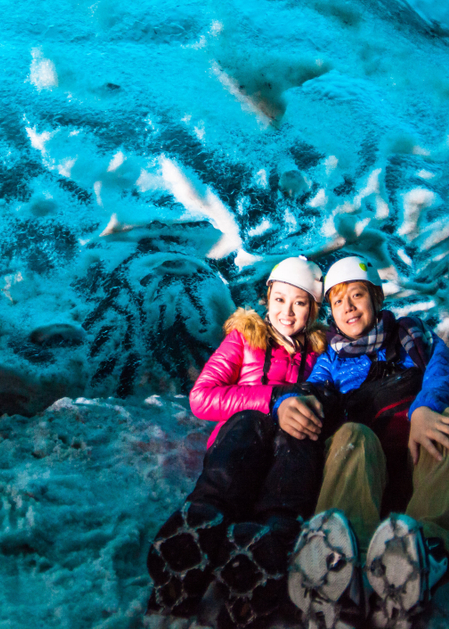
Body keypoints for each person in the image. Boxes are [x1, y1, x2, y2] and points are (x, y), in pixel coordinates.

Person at [277, 257, 449, 629]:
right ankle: (343, 555)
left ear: (377, 299)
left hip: (417, 462)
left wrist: (425, 409)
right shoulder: (331, 360)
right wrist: (287, 403)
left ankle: (430, 551)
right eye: (338, 301)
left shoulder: (411, 334)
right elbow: (310, 391)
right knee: (352, 435)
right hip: (366, 470)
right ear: (331, 313)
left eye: (357, 295)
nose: (348, 306)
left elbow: (441, 370)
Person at [147, 257, 332, 629]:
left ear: (313, 308)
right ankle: (201, 523)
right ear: (267, 299)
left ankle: (272, 540)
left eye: (299, 303)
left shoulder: (321, 354)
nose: (287, 312)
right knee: (250, 421)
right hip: (239, 450)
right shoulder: (245, 339)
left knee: (299, 434)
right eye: (279, 300)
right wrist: (273, 398)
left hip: (285, 462)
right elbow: (202, 398)